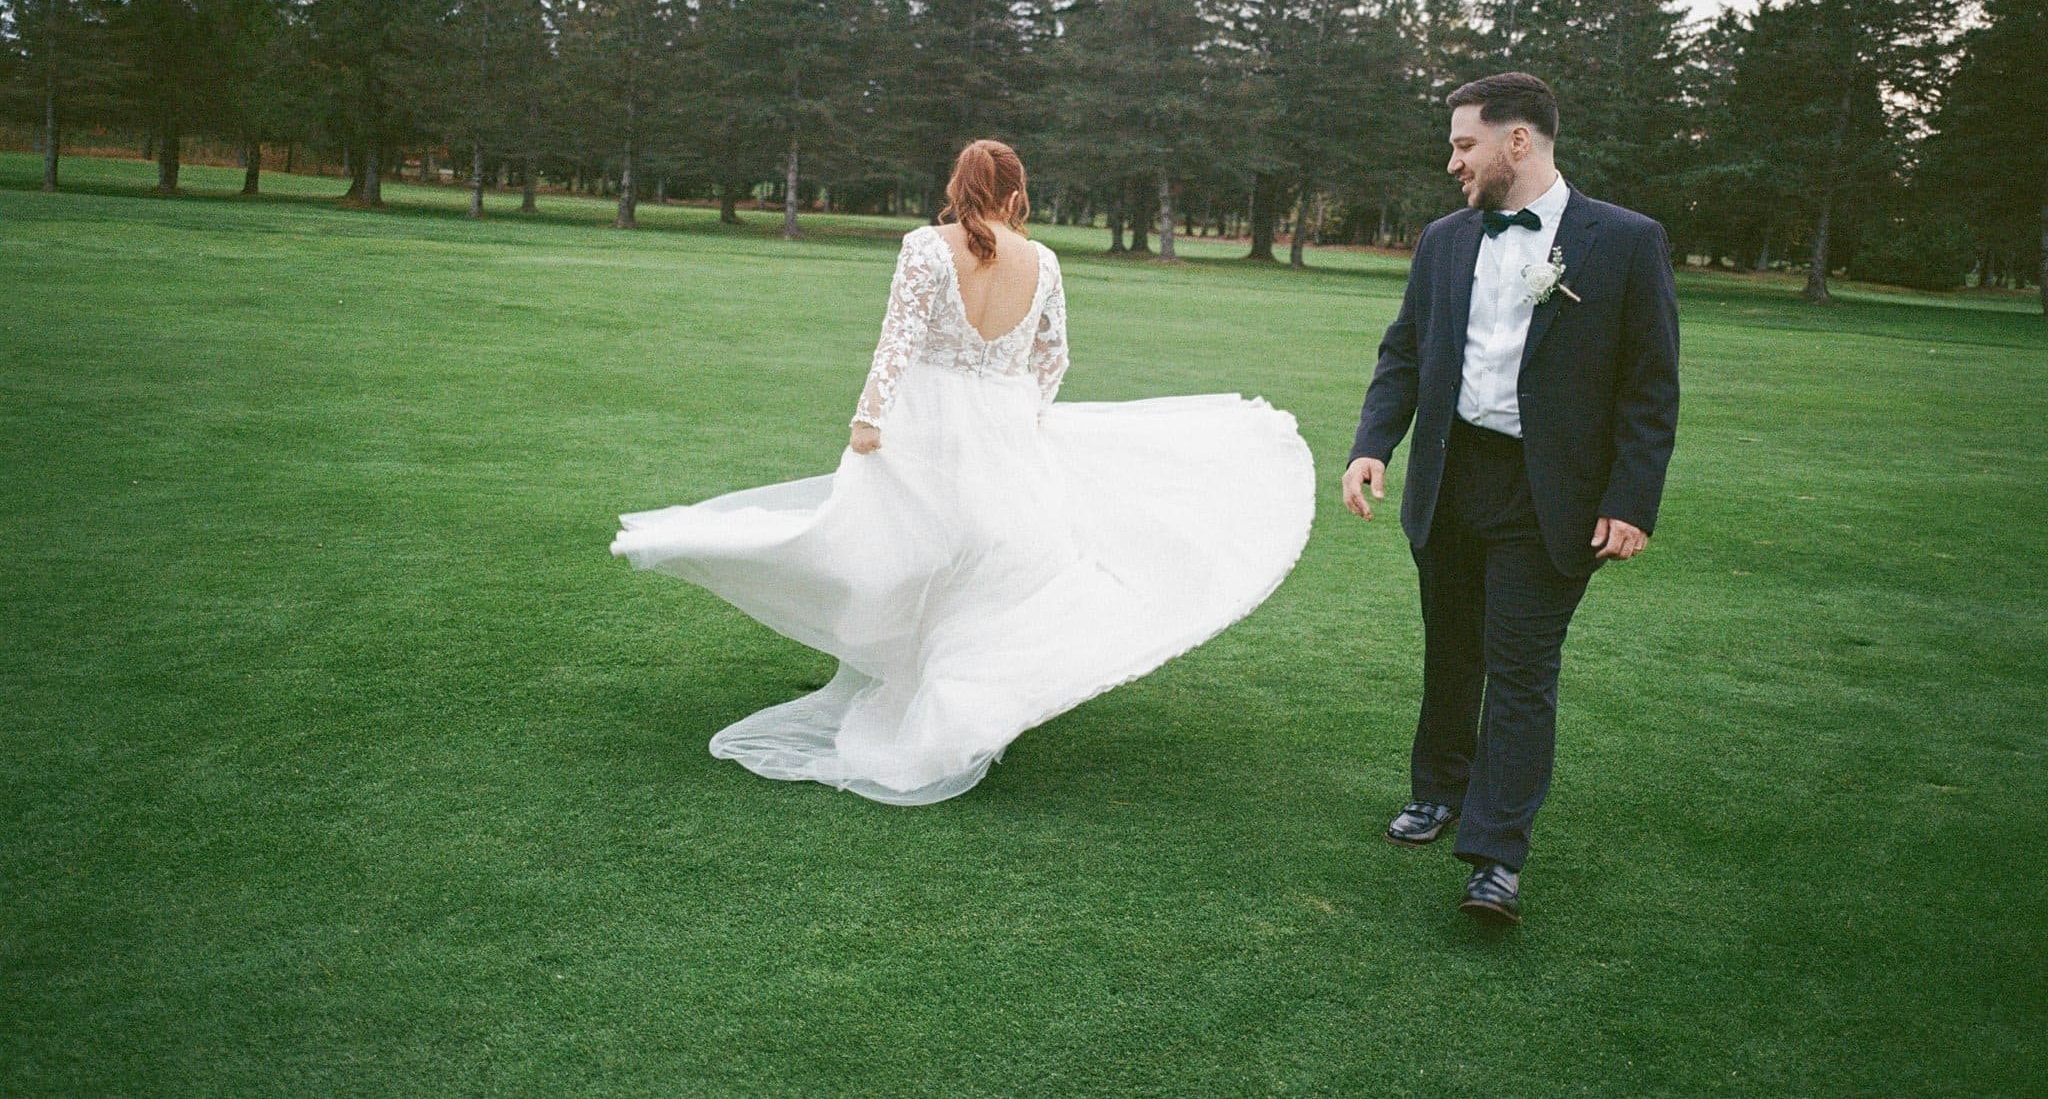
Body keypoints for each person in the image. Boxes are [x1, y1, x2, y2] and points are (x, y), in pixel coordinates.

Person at [614, 139, 1314, 805]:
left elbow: (899, 340)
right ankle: (945, 693)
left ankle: (696, 549)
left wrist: (869, 419)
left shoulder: (927, 246)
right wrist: (1025, 413)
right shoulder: (1042, 260)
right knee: (986, 564)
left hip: (922, 420)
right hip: (1004, 427)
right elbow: (1055, 357)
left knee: (874, 545)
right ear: (1015, 195)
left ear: (958, 189)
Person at [1342, 73, 1680, 925]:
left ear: (1517, 143)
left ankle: (1496, 855)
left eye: (1464, 144)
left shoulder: (1627, 242)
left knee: (1523, 670)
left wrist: (1632, 499)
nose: (1451, 160)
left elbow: (1651, 387)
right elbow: (1405, 352)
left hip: (1550, 496)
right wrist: (1372, 446)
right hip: (1452, 479)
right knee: (1452, 649)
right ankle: (1437, 790)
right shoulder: (1444, 240)